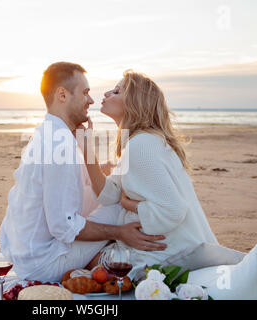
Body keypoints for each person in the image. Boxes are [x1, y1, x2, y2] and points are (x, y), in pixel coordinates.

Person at [0, 62, 166, 282]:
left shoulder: (49, 133)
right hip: (43, 264)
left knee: (112, 192)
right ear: (62, 95)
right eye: (85, 92)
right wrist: (119, 232)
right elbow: (64, 227)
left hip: (24, 253)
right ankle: (154, 251)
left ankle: (101, 255)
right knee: (118, 202)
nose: (91, 100)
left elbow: (78, 184)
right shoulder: (60, 146)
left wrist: (98, 160)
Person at [79, 70, 219, 273]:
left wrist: (129, 204)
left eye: (117, 91)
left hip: (169, 254)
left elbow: (172, 210)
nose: (107, 93)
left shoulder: (142, 145)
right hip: (164, 246)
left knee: (83, 259)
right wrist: (88, 150)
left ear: (135, 104)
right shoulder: (140, 142)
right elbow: (109, 194)